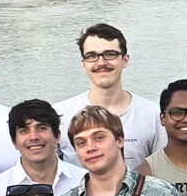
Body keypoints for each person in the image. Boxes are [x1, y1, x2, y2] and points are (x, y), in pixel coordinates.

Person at [54, 23, 161, 170]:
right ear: (83, 63)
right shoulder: (60, 115)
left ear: (125, 60)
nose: (101, 62)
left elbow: (162, 171)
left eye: (110, 54)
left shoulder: (153, 114)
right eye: (92, 56)